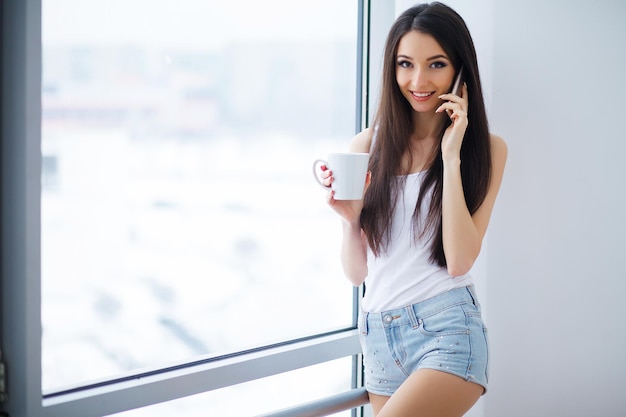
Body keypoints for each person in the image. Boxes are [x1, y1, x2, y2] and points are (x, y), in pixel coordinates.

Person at [319, 2, 507, 416]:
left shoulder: (488, 150)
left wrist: (451, 156)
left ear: (461, 72)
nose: (418, 80)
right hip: (379, 338)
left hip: (447, 329)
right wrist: (351, 222)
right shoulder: (367, 147)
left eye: (436, 64)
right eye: (406, 64)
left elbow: (459, 260)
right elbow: (357, 273)